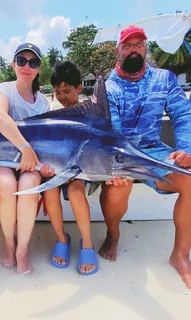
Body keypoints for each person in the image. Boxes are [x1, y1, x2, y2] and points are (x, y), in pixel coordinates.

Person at [99, 25, 191, 288]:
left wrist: (186, 149)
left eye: (139, 44)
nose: (134, 49)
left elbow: (183, 115)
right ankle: (113, 235)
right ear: (118, 51)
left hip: (154, 150)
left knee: (190, 180)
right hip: (121, 152)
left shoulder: (165, 79)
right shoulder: (108, 87)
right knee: (118, 184)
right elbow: (112, 132)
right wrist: (116, 165)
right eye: (128, 45)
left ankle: (180, 255)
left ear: (146, 48)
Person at [0, 43, 50, 274]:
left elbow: (47, 138)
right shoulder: (3, 89)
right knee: (6, 185)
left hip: (32, 161)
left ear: (38, 68)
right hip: (5, 157)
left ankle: (22, 250)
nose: (27, 66)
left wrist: (43, 164)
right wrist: (25, 147)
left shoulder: (43, 102)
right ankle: (9, 243)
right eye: (22, 60)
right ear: (14, 64)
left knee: (29, 186)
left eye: (33, 62)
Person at [43, 61, 98, 275]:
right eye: (57, 92)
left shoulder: (91, 113)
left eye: (66, 91)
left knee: (76, 191)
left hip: (83, 170)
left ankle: (87, 243)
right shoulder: (53, 114)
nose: (62, 97)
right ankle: (61, 238)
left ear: (79, 89)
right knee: (49, 188)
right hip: (58, 169)